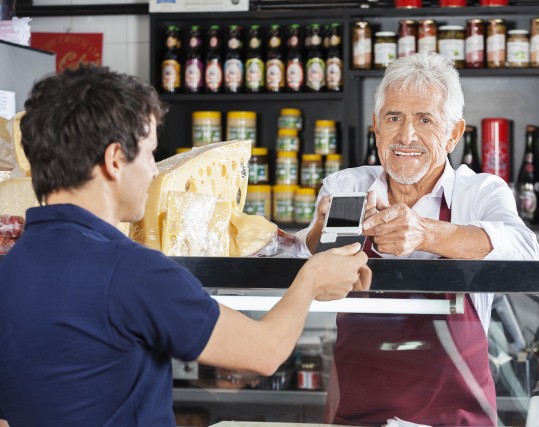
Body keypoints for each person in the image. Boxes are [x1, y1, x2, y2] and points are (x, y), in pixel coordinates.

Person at [0, 65, 371, 426]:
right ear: (114, 160)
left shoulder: (10, 268)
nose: (154, 171)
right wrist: (310, 280)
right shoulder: (132, 271)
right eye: (148, 154)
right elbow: (264, 352)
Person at [295, 52, 539, 426]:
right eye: (394, 118)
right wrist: (321, 232)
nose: (406, 136)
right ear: (376, 126)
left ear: (454, 133)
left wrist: (426, 233)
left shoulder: (482, 191)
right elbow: (312, 268)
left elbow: (525, 252)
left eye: (424, 119)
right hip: (359, 417)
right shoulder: (347, 187)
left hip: (457, 419)